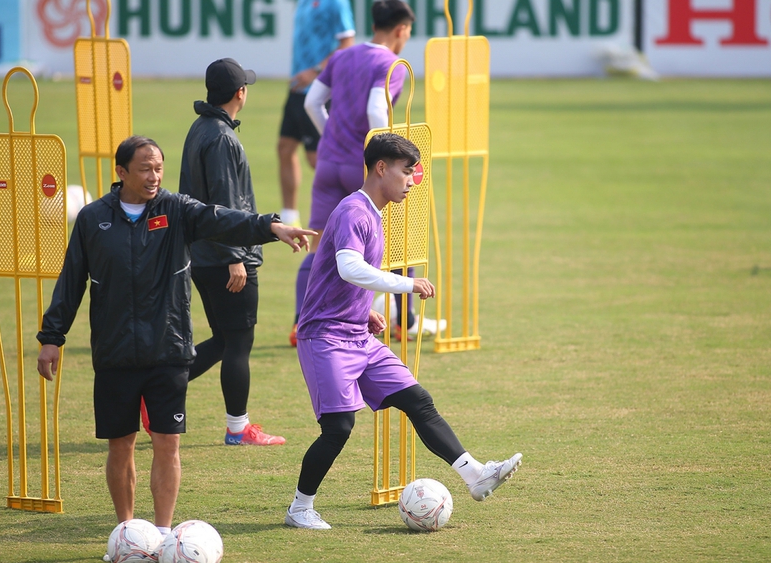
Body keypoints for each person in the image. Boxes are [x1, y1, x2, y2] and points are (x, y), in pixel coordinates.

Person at [36, 135, 314, 540]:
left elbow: (222, 218)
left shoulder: (177, 209)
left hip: (167, 349)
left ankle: (164, 533)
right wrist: (51, 337)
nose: (154, 177)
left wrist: (272, 226)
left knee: (168, 444)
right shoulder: (94, 219)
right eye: (145, 169)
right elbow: (71, 280)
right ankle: (128, 531)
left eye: (159, 168)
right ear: (121, 173)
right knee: (121, 446)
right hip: (114, 353)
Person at [284, 133, 522, 530]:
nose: (413, 180)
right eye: (406, 171)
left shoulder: (373, 213)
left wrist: (366, 312)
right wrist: (406, 285)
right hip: (325, 337)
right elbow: (348, 268)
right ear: (381, 168)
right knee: (339, 427)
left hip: (358, 334)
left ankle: (475, 475)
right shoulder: (353, 211)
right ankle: (299, 509)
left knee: (418, 400)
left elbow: (344, 279)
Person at [291, 0, 443, 346]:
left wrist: (331, 134)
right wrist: (383, 152)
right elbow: (377, 108)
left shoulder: (342, 56)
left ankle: (301, 323)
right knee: (397, 241)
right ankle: (405, 320)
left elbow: (312, 101)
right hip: (366, 166)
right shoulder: (391, 63)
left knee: (318, 242)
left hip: (329, 162)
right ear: (402, 29)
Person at [176, 57, 286, 446]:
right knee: (238, 343)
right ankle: (238, 428)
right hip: (225, 257)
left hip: (202, 255)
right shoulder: (222, 137)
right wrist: (235, 256)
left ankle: (155, 392)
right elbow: (224, 201)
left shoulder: (201, 127)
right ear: (240, 93)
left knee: (224, 340)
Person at [277, 0, 355, 228]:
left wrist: (315, 71)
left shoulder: (337, 3)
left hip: (322, 89)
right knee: (285, 147)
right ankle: (290, 218)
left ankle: (349, 215)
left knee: (317, 159)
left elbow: (347, 44)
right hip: (298, 88)